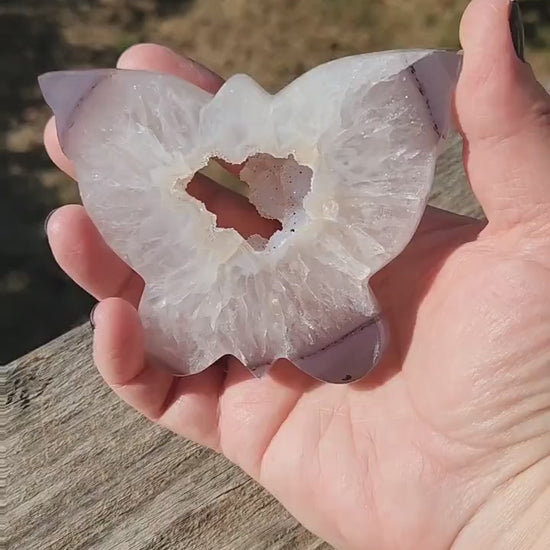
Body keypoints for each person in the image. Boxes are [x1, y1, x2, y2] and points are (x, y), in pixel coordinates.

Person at [43, 0, 549, 548]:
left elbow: (386, 104)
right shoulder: (186, 308)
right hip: (206, 313)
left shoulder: (370, 114)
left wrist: (516, 479)